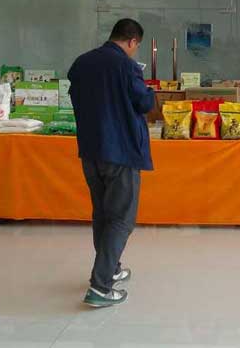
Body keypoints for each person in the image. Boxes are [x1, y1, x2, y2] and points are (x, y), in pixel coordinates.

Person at [68, 18, 155, 308]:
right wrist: (149, 92)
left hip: (91, 150)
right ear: (132, 41)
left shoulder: (81, 63)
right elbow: (144, 103)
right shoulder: (127, 66)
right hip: (121, 151)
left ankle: (112, 267)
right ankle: (101, 286)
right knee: (120, 218)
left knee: (103, 214)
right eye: (136, 46)